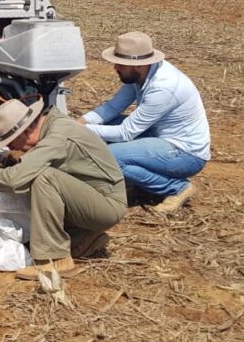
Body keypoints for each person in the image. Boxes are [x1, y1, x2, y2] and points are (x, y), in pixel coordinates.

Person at [0, 98, 127, 280]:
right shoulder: (55, 127)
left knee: (44, 178)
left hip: (107, 206)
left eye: (11, 141)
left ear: (25, 131)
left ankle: (56, 259)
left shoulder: (57, 137)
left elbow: (16, 178)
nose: (10, 147)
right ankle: (84, 237)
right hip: (96, 198)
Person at [78, 31, 210, 214]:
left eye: (120, 64)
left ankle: (177, 188)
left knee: (110, 156)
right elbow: (113, 107)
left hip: (185, 154)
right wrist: (81, 121)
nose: (115, 67)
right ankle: (145, 183)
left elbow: (126, 133)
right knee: (111, 123)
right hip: (160, 139)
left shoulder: (163, 87)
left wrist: (82, 130)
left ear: (138, 65)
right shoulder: (140, 75)